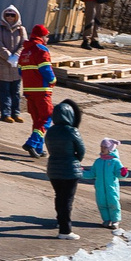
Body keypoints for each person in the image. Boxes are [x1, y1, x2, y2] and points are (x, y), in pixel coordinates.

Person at [44, 98, 87, 237]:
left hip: (53, 169)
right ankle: (65, 230)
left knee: (59, 197)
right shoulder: (72, 131)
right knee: (67, 200)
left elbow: (50, 149)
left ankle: (60, 221)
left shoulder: (50, 131)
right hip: (69, 170)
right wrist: (75, 161)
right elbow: (81, 150)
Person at [19, 23, 57, 155]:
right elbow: (45, 69)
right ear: (42, 36)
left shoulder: (25, 50)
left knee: (37, 120)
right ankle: (32, 143)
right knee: (46, 117)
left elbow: (20, 70)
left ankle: (38, 149)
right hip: (42, 90)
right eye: (47, 36)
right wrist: (53, 80)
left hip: (29, 91)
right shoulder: (41, 50)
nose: (48, 39)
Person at [0, 6, 27, 121]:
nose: (10, 17)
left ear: (17, 16)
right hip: (3, 64)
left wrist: (16, 55)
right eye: (8, 15)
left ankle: (15, 113)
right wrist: (8, 57)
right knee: (4, 90)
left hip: (16, 65)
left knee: (15, 91)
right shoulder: (0, 29)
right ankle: (5, 114)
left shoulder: (21, 30)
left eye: (12, 15)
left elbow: (24, 44)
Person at [90, 138, 125, 227]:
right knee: (101, 203)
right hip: (100, 188)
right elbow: (92, 173)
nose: (102, 149)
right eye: (101, 147)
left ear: (110, 149)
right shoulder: (98, 161)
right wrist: (81, 172)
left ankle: (115, 220)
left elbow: (119, 174)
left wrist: (123, 173)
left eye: (105, 147)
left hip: (111, 188)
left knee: (113, 203)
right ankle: (106, 219)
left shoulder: (115, 162)